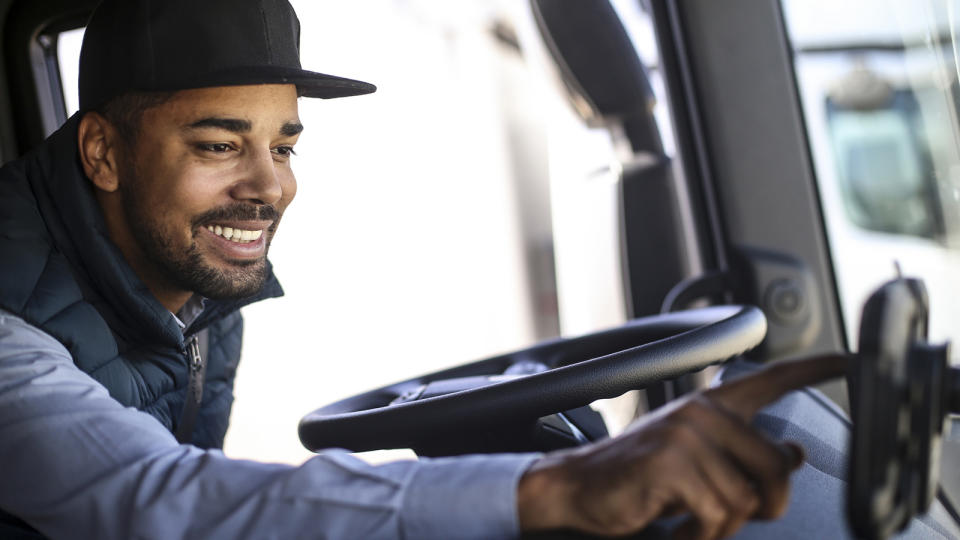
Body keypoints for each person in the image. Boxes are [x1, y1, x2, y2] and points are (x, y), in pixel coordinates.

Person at [0, 0, 849, 538]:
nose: (269, 187)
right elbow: (160, 501)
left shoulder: (181, 277)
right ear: (103, 152)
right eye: (220, 145)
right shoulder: (10, 327)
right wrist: (550, 490)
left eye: (285, 145)